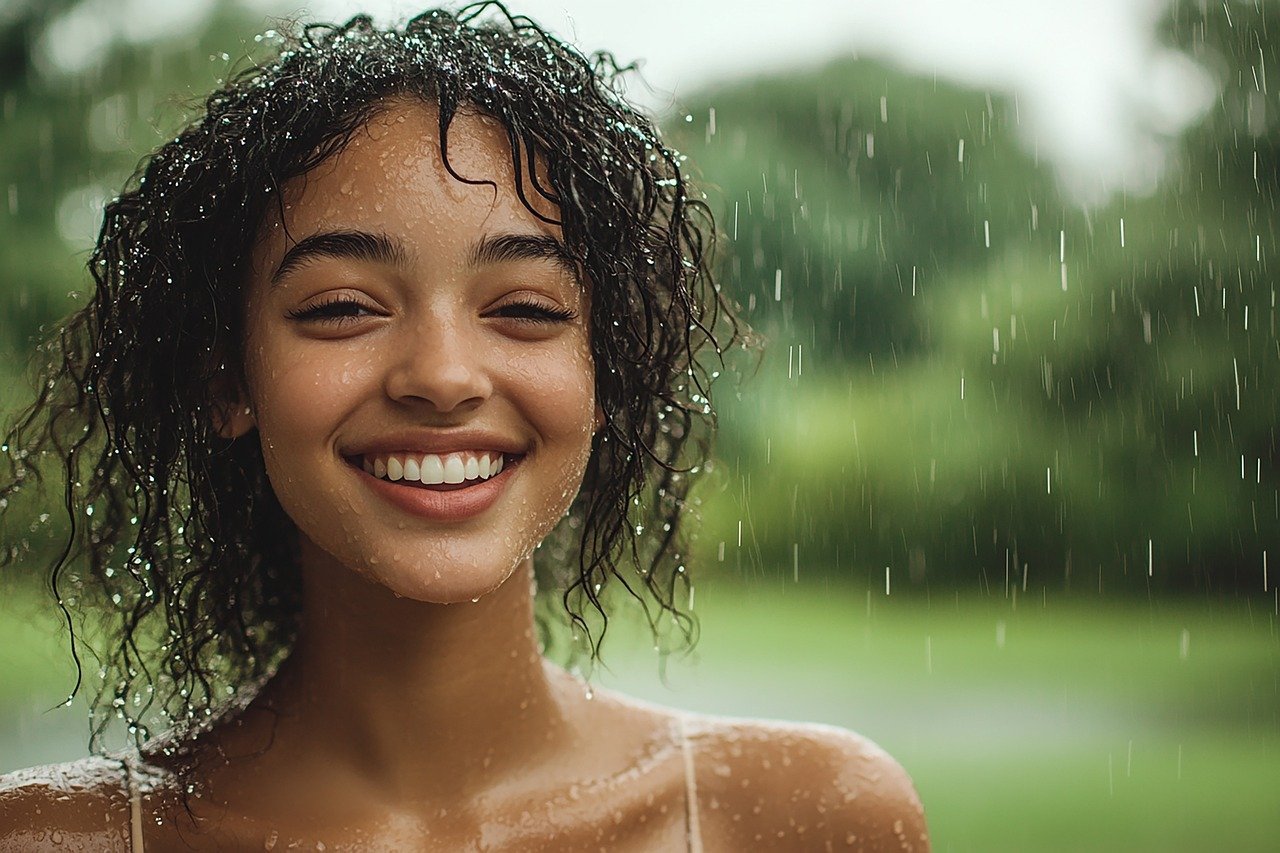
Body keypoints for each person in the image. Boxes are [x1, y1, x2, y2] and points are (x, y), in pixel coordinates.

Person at [0, 4, 928, 849]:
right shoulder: (55, 838)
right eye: (343, 307)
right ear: (228, 379)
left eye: (524, 308)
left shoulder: (805, 815)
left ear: (604, 370)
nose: (443, 377)